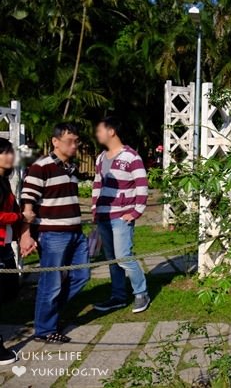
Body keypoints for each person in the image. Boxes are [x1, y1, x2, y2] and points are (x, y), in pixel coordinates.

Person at [20, 123, 89, 344]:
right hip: (53, 234)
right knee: (52, 282)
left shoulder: (71, 167)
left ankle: (49, 316)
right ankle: (45, 329)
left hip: (76, 232)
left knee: (82, 275)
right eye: (70, 141)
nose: (74, 145)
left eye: (76, 141)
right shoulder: (41, 167)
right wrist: (26, 234)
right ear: (55, 141)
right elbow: (28, 203)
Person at [91, 117, 150, 313]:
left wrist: (136, 212)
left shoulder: (132, 157)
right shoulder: (100, 158)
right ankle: (118, 297)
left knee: (124, 257)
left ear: (111, 131)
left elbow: (142, 186)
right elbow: (97, 184)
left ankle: (141, 293)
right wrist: (95, 210)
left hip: (122, 216)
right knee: (111, 259)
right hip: (104, 216)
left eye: (99, 130)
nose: (97, 134)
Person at [0, 138, 29, 364]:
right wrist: (19, 217)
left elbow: (15, 209)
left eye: (11, 152)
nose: (11, 156)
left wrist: (24, 230)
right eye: (6, 153)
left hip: (5, 247)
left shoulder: (4, 182)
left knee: (10, 291)